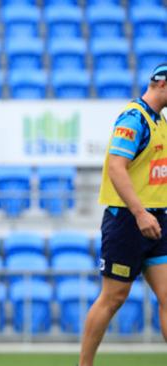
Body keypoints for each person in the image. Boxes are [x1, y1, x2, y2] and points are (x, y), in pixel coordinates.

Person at [79, 63, 167, 366]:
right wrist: (140, 213)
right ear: (162, 84)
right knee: (114, 297)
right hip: (128, 220)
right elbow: (117, 167)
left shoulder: (161, 122)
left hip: (159, 220)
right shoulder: (134, 118)